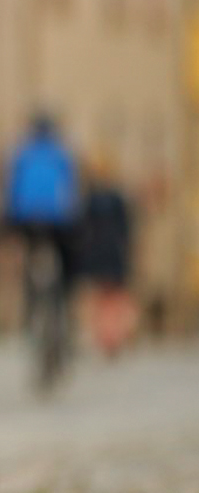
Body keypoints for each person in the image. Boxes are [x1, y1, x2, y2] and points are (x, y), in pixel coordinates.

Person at [4, 113, 80, 297]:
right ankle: (62, 301)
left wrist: (10, 216)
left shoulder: (22, 153)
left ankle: (29, 301)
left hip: (26, 217)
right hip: (56, 219)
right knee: (65, 259)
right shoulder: (61, 154)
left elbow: (13, 188)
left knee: (26, 256)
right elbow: (70, 188)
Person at [78, 152, 134, 357]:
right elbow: (126, 229)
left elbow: (82, 229)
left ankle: (104, 337)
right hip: (114, 253)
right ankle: (113, 337)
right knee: (114, 299)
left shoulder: (90, 199)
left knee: (101, 299)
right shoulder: (117, 198)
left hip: (96, 254)